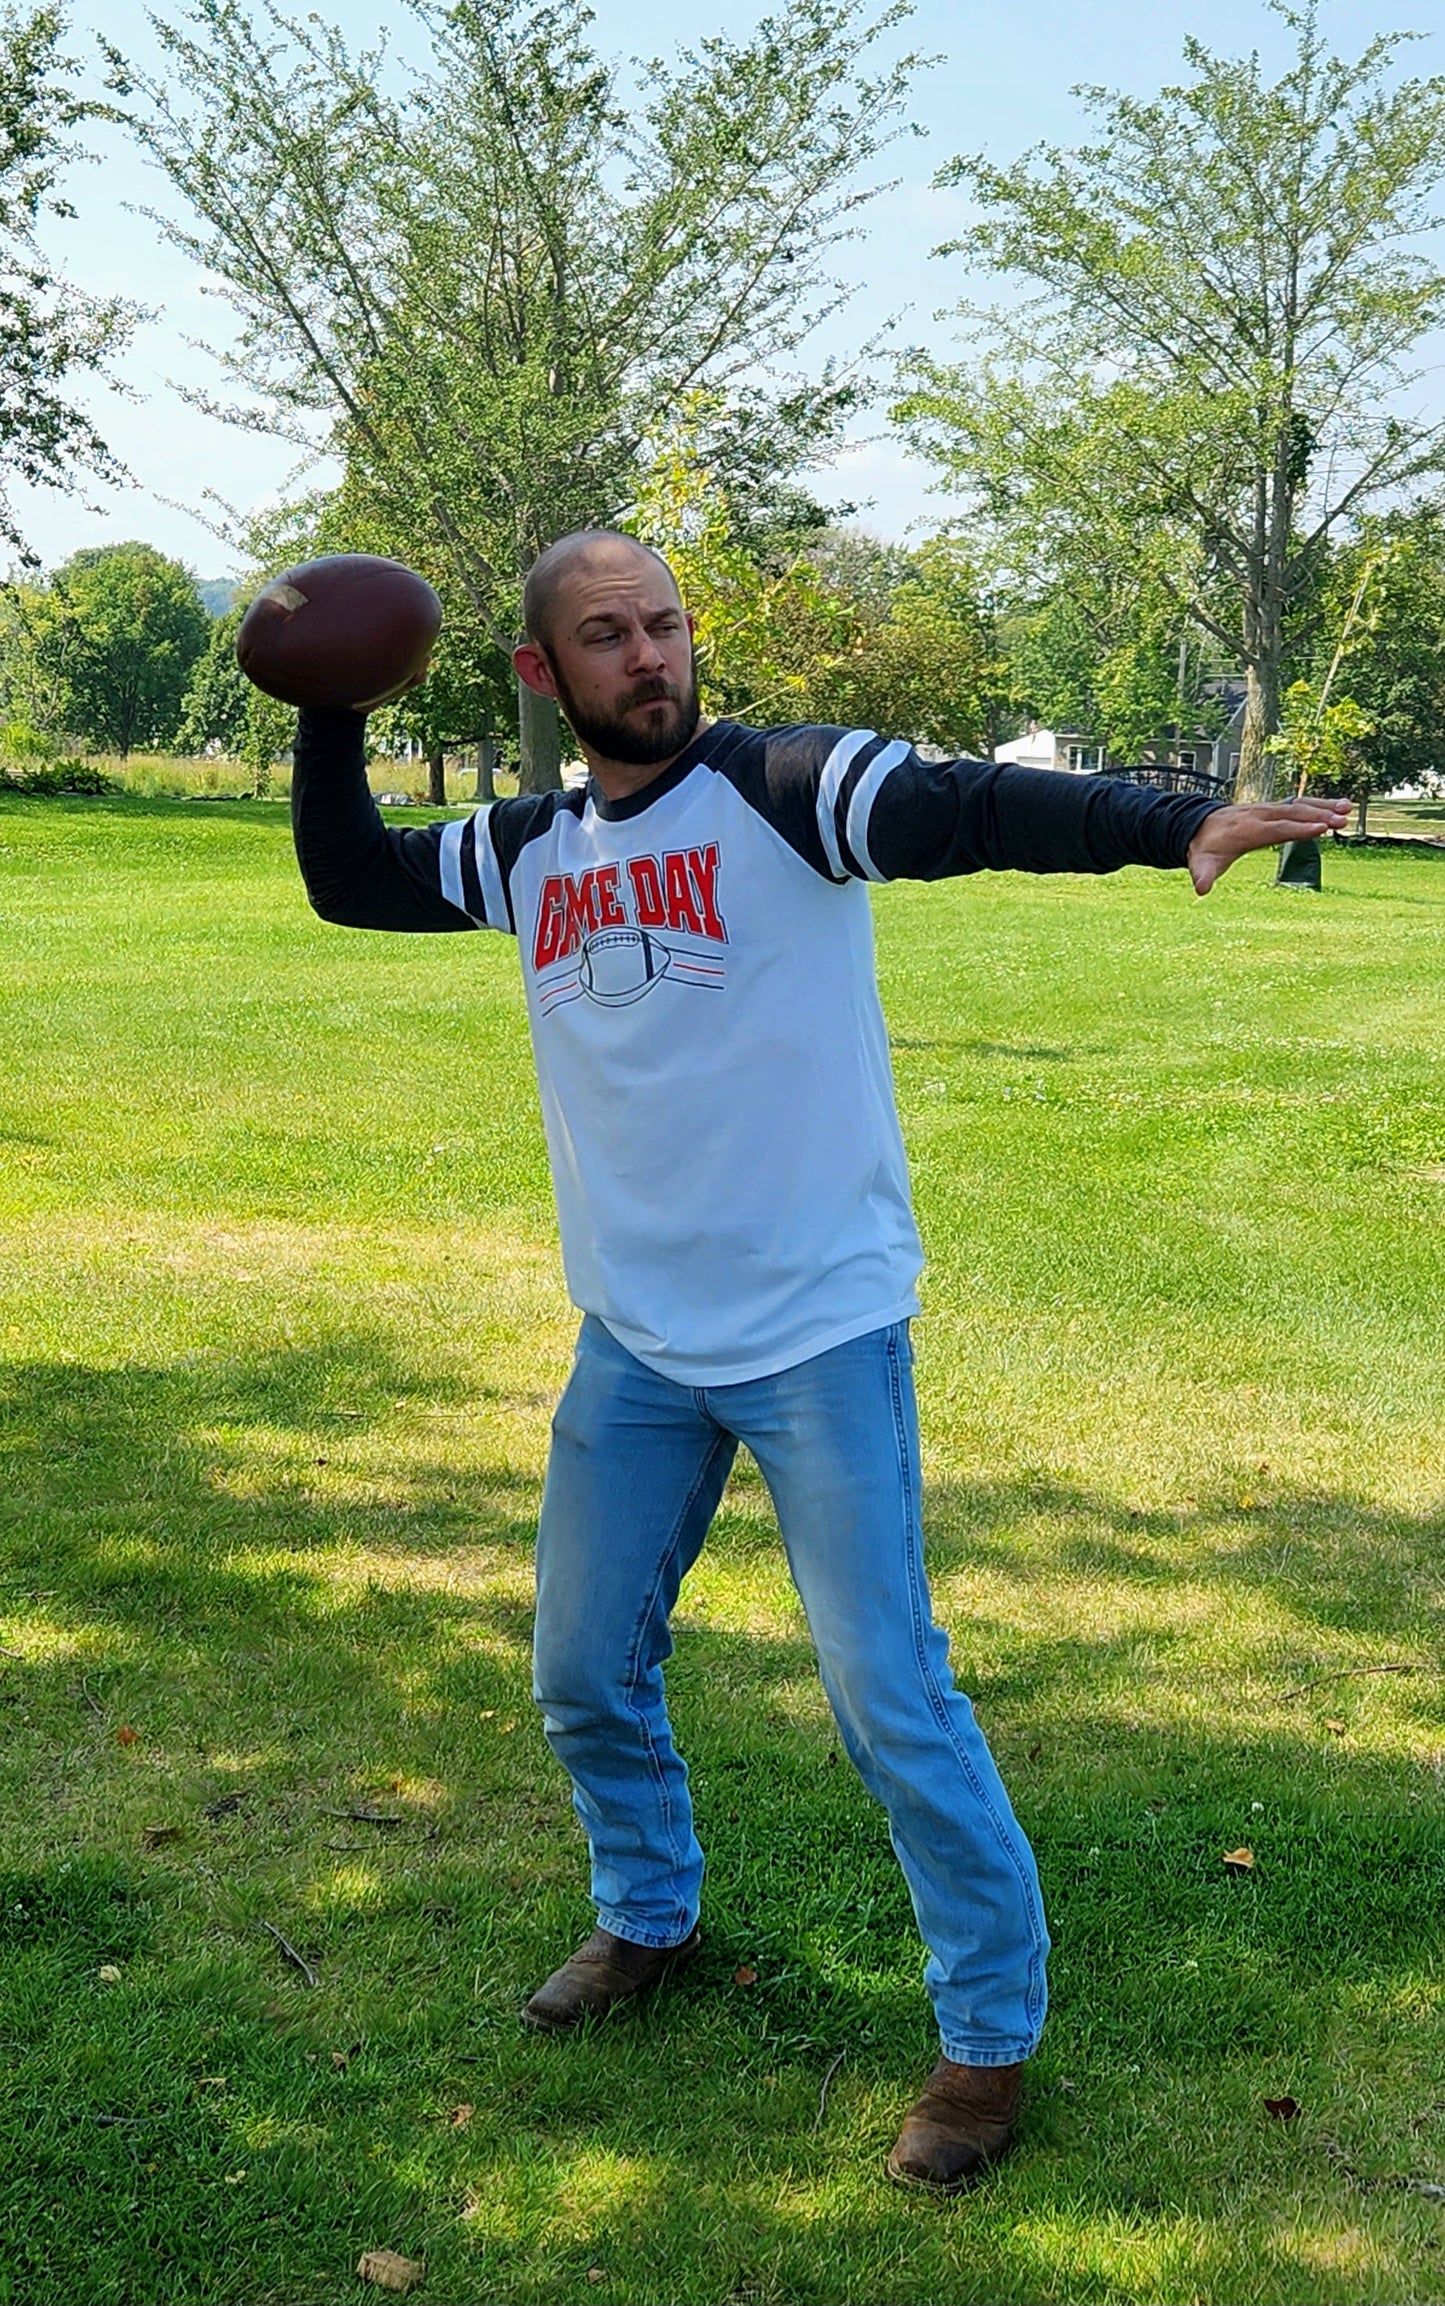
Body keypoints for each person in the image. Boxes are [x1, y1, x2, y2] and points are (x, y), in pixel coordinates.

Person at [290, 529, 1350, 2194]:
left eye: (663, 623)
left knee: (887, 1698)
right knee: (578, 1670)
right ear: (538, 674)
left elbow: (968, 805)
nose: (649, 654)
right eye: (605, 634)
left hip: (816, 1330)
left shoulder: (789, 787)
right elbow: (350, 877)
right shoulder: (527, 850)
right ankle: (648, 1917)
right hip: (633, 1341)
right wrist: (329, 705)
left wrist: (1167, 822)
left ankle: (985, 2037)